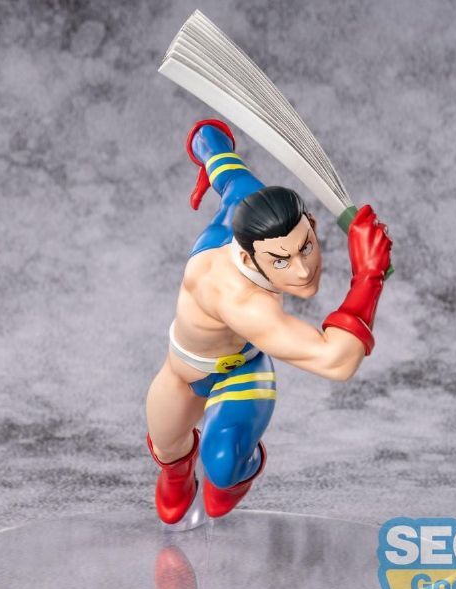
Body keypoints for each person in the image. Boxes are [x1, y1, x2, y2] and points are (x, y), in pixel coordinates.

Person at [146, 119, 392, 524]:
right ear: (247, 258)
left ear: (311, 223)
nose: (302, 270)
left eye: (306, 247)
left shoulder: (249, 199)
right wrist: (369, 276)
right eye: (281, 260)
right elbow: (337, 360)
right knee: (167, 447)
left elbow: (226, 168)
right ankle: (178, 472)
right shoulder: (240, 300)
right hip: (182, 371)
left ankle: (233, 472)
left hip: (242, 370)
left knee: (223, 465)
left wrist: (206, 141)